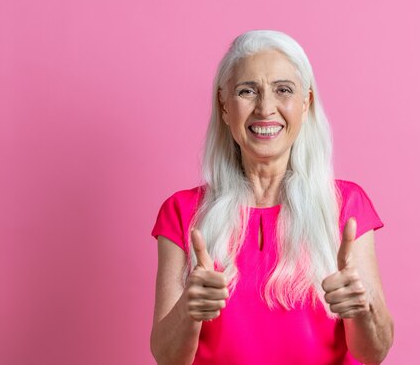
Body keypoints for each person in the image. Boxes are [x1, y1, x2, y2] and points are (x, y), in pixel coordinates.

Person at [150, 30, 394, 365]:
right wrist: (188, 312)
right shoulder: (182, 212)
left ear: (305, 103)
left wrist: (363, 308)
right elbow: (166, 358)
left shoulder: (347, 205)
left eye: (283, 90)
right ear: (224, 106)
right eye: (247, 91)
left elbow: (375, 352)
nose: (266, 108)